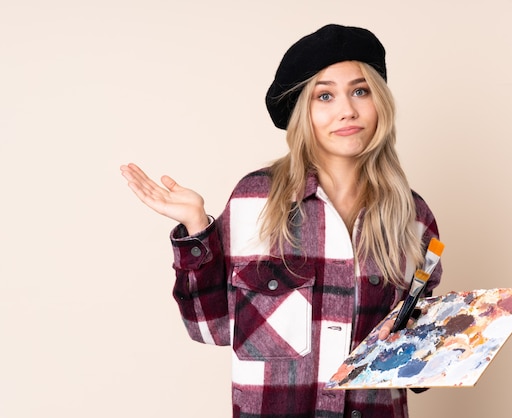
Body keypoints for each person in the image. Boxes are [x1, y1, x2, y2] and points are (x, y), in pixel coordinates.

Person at [121, 24, 442, 418]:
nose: (347, 110)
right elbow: (210, 328)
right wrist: (194, 228)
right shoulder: (254, 200)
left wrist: (458, 338)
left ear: (380, 102)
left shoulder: (414, 219)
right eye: (325, 96)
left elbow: (416, 366)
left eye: (360, 91)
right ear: (301, 111)